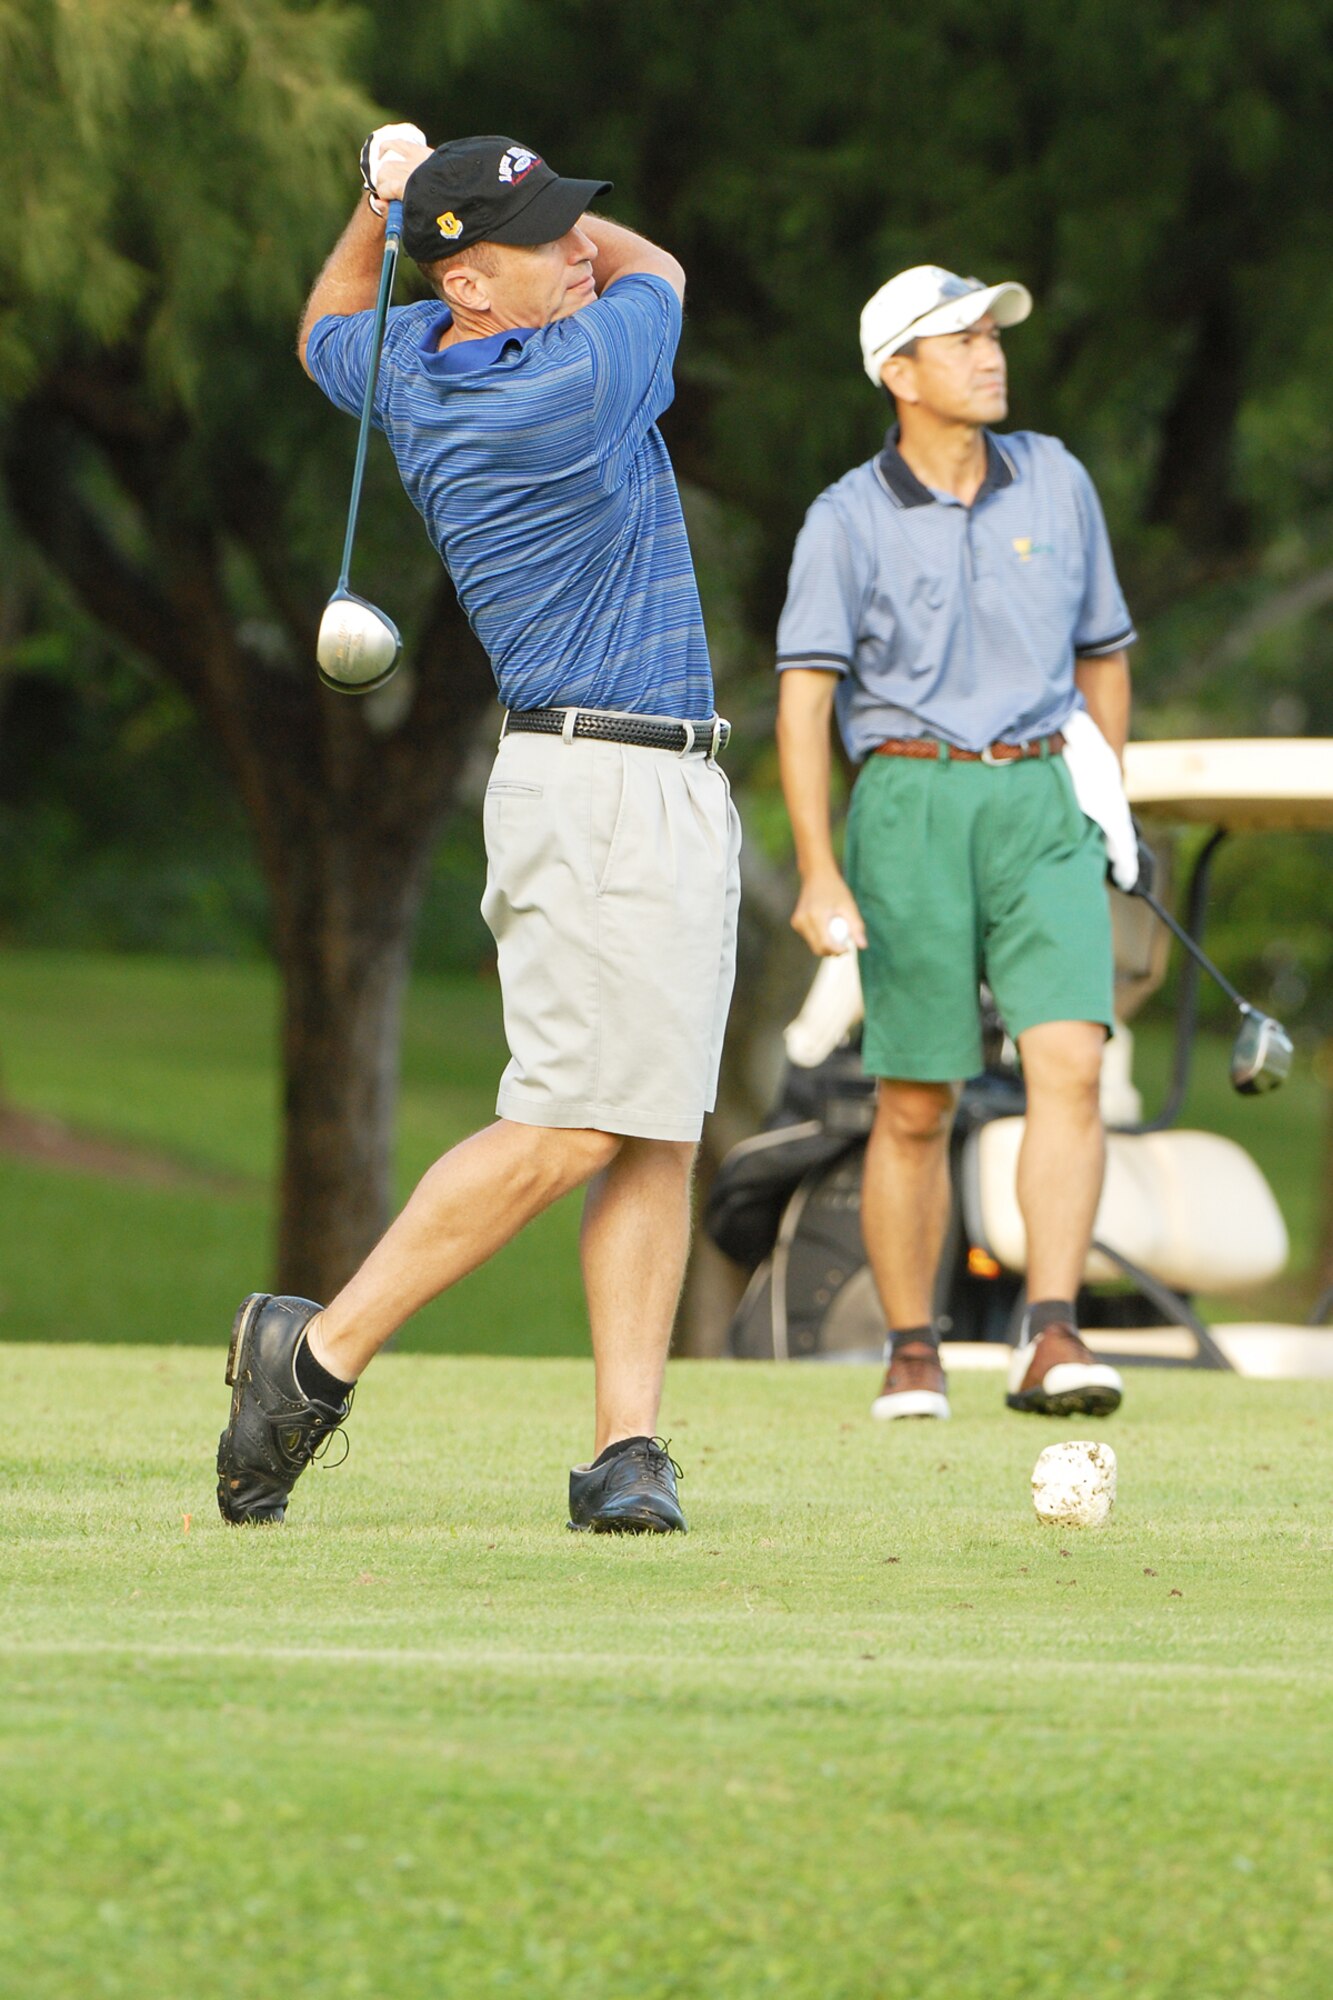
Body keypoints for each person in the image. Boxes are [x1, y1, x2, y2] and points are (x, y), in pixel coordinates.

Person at [216, 129, 739, 1533]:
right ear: (470, 289)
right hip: (601, 793)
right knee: (570, 1123)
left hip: (663, 781)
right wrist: (453, 222)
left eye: (578, 222)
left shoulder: (411, 367)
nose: (583, 247)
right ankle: (312, 1358)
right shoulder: (572, 384)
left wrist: (375, 205)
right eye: (546, 239)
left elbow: (329, 322)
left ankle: (626, 1449)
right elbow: (664, 270)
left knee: (653, 1128)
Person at [775, 264, 1134, 1423]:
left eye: (992, 334)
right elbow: (802, 702)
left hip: (1040, 802)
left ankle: (1051, 1331)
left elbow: (1105, 650)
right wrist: (819, 867)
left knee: (1067, 1064)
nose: (989, 354)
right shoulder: (844, 518)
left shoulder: (1059, 477)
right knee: (917, 1095)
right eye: (959, 339)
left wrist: (1101, 790)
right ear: (898, 373)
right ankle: (913, 1348)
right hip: (908, 804)